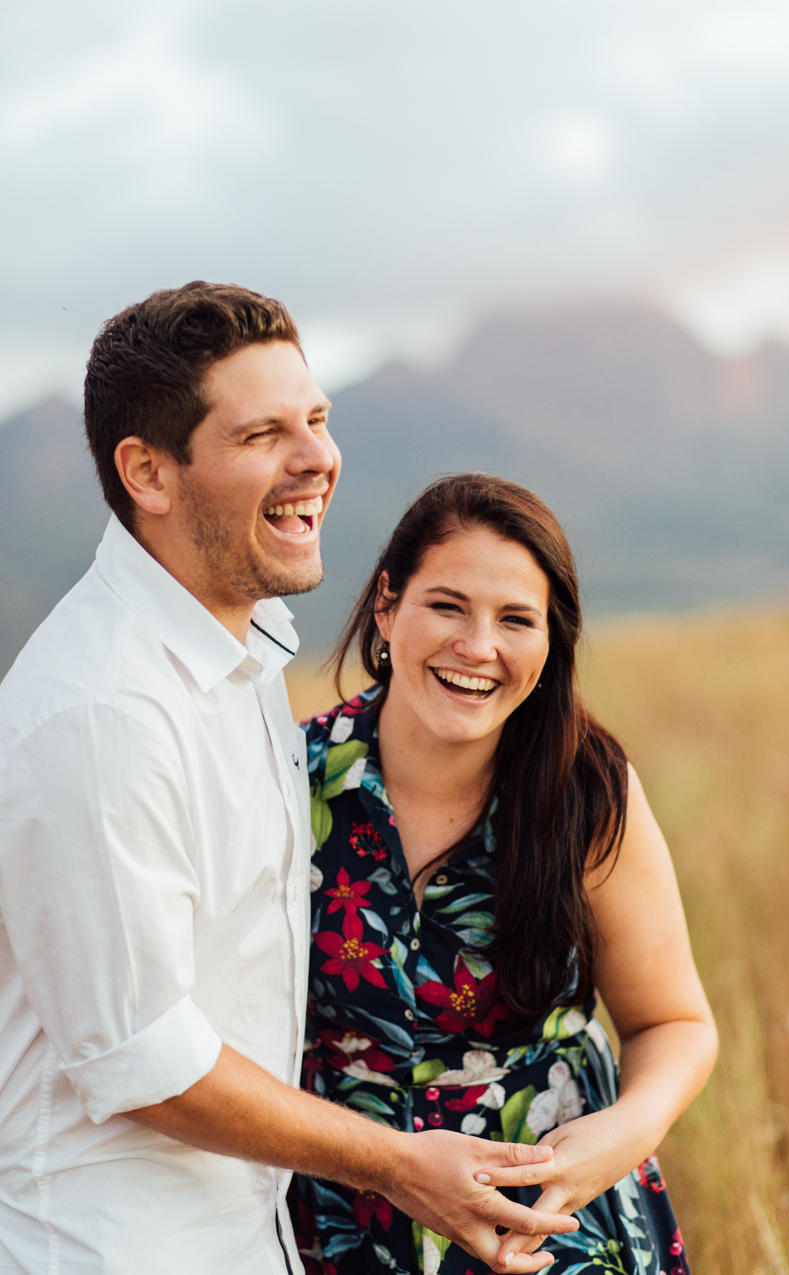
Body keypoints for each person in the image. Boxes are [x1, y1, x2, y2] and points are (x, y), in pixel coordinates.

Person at [0, 285, 577, 1275]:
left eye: (316, 418)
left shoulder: (241, 656)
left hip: (237, 1236)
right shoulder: (103, 709)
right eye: (264, 433)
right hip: (115, 1247)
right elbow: (146, 1062)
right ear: (148, 473)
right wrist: (398, 1164)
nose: (318, 458)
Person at [290, 473, 719, 1275]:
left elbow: (675, 1022)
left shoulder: (586, 791)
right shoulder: (290, 780)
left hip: (546, 1218)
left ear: (551, 640)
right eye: (448, 606)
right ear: (387, 606)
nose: (478, 646)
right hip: (343, 1215)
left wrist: (618, 1136)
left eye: (515, 619)